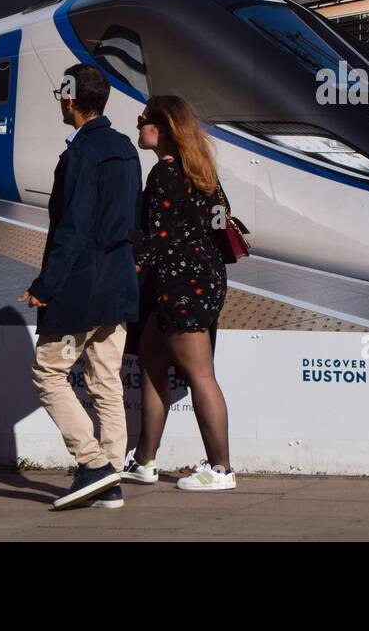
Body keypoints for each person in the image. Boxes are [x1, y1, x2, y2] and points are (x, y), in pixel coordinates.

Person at [19, 64, 142, 511]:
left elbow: (72, 228)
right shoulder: (127, 150)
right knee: (106, 381)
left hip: (82, 286)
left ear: (70, 100)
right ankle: (109, 483)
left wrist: (45, 286)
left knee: (49, 373)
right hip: (119, 284)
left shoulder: (79, 155)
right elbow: (135, 221)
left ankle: (92, 465)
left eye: (60, 95)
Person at [124, 94, 235, 492]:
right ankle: (144, 461)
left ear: (163, 128)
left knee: (200, 375)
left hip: (179, 283)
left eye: (142, 120)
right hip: (201, 277)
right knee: (152, 365)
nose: (138, 126)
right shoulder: (200, 171)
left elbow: (156, 240)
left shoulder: (164, 175)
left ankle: (221, 469)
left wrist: (126, 272)